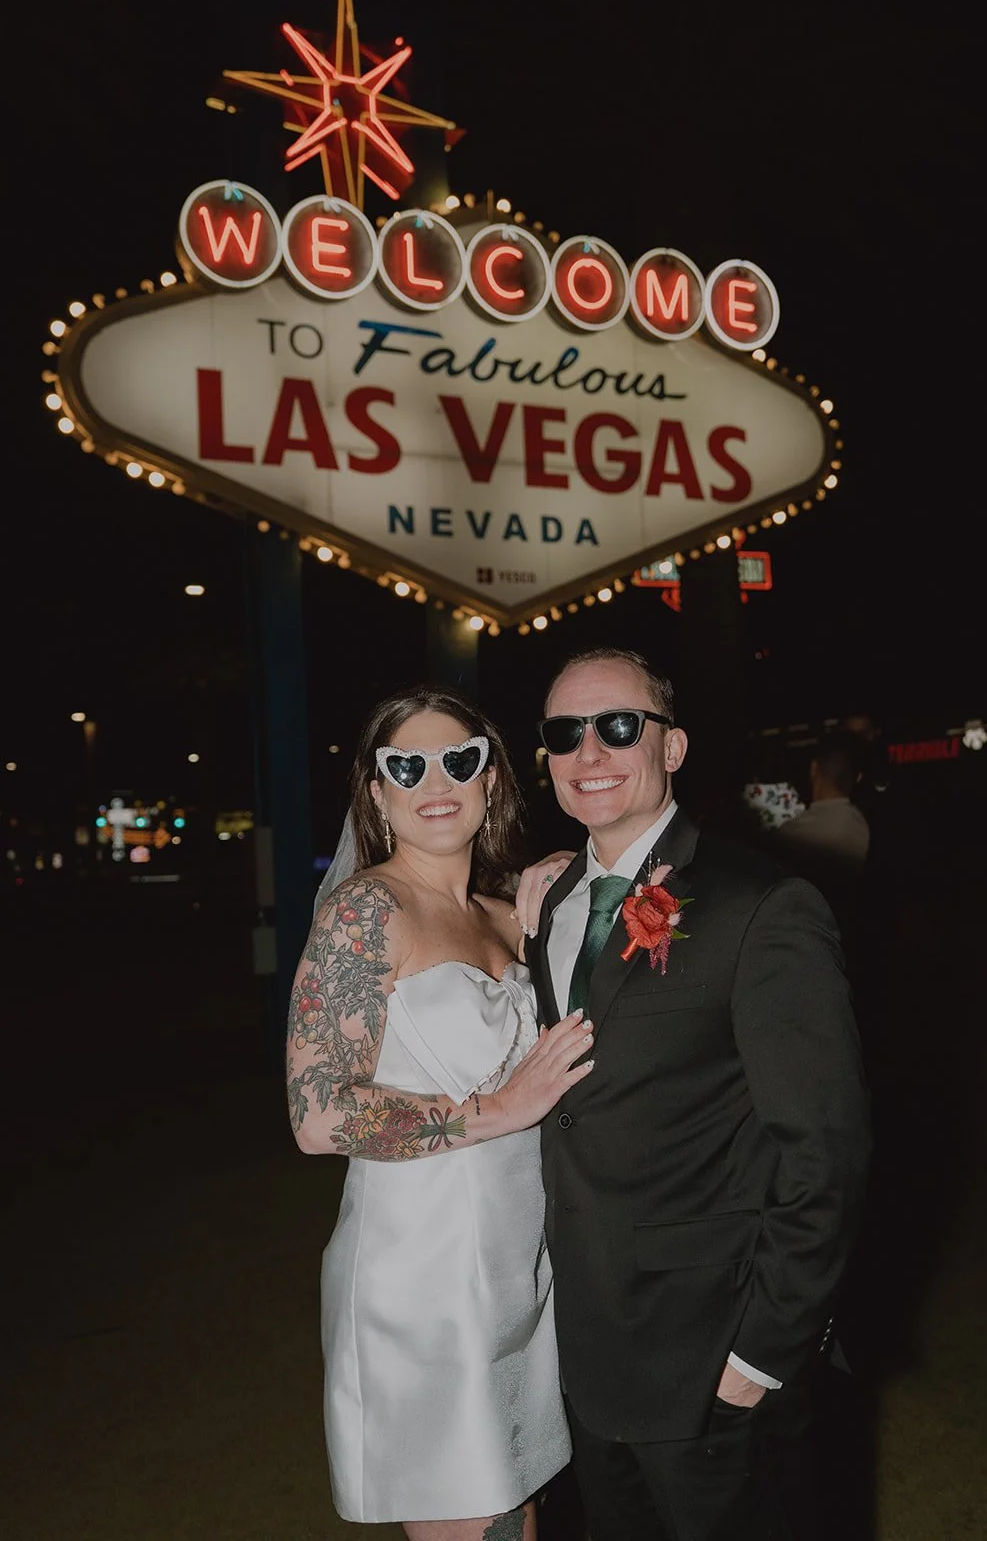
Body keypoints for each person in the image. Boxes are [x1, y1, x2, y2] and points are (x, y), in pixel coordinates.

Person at [517, 648, 871, 1541]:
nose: (588, 751)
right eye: (565, 733)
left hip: (711, 1354)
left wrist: (763, 1351)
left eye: (618, 727)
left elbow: (824, 1145)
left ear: (671, 748)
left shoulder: (764, 905)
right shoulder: (550, 898)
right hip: (583, 1353)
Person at [287, 686, 595, 1540]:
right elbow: (317, 1117)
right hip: (421, 1282)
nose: (436, 779)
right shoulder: (364, 913)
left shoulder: (505, 914)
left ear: (490, 779)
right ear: (376, 792)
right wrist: (495, 1109)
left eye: (459, 759)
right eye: (406, 764)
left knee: (521, 1511)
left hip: (519, 1268)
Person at [768, 729, 871, 962]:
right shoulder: (861, 825)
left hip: (803, 947)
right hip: (849, 943)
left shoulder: (792, 834)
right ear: (857, 778)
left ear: (814, 769)